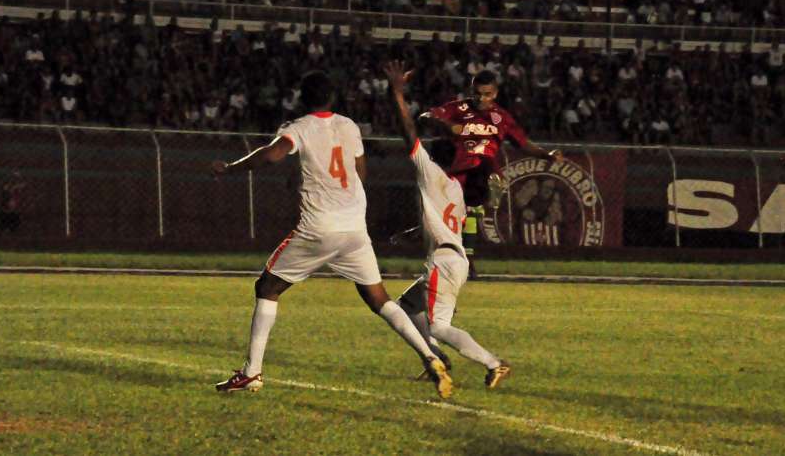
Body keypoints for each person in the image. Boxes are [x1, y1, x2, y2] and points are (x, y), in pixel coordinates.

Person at [211, 70, 453, 398]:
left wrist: (230, 168)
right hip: (354, 225)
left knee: (267, 286)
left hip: (319, 227)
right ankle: (429, 356)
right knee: (379, 298)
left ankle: (252, 373)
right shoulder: (349, 125)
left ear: (301, 97)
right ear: (332, 98)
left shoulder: (298, 128)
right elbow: (360, 172)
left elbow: (271, 155)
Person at [384, 61, 512, 389]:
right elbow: (443, 220)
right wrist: (413, 232)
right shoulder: (455, 185)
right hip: (454, 257)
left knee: (439, 326)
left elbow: (408, 132)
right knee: (408, 305)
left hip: (444, 261)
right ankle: (436, 359)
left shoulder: (431, 172)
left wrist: (397, 93)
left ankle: (493, 363)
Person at [420, 70, 563, 275]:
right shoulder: (458, 109)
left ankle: (489, 190)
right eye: (478, 93)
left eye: (487, 94)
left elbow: (522, 142)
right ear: (471, 90)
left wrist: (546, 155)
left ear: (495, 93)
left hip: (482, 169)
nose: (481, 98)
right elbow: (425, 116)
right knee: (462, 217)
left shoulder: (501, 117)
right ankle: (460, 257)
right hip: (457, 172)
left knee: (483, 170)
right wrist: (449, 126)